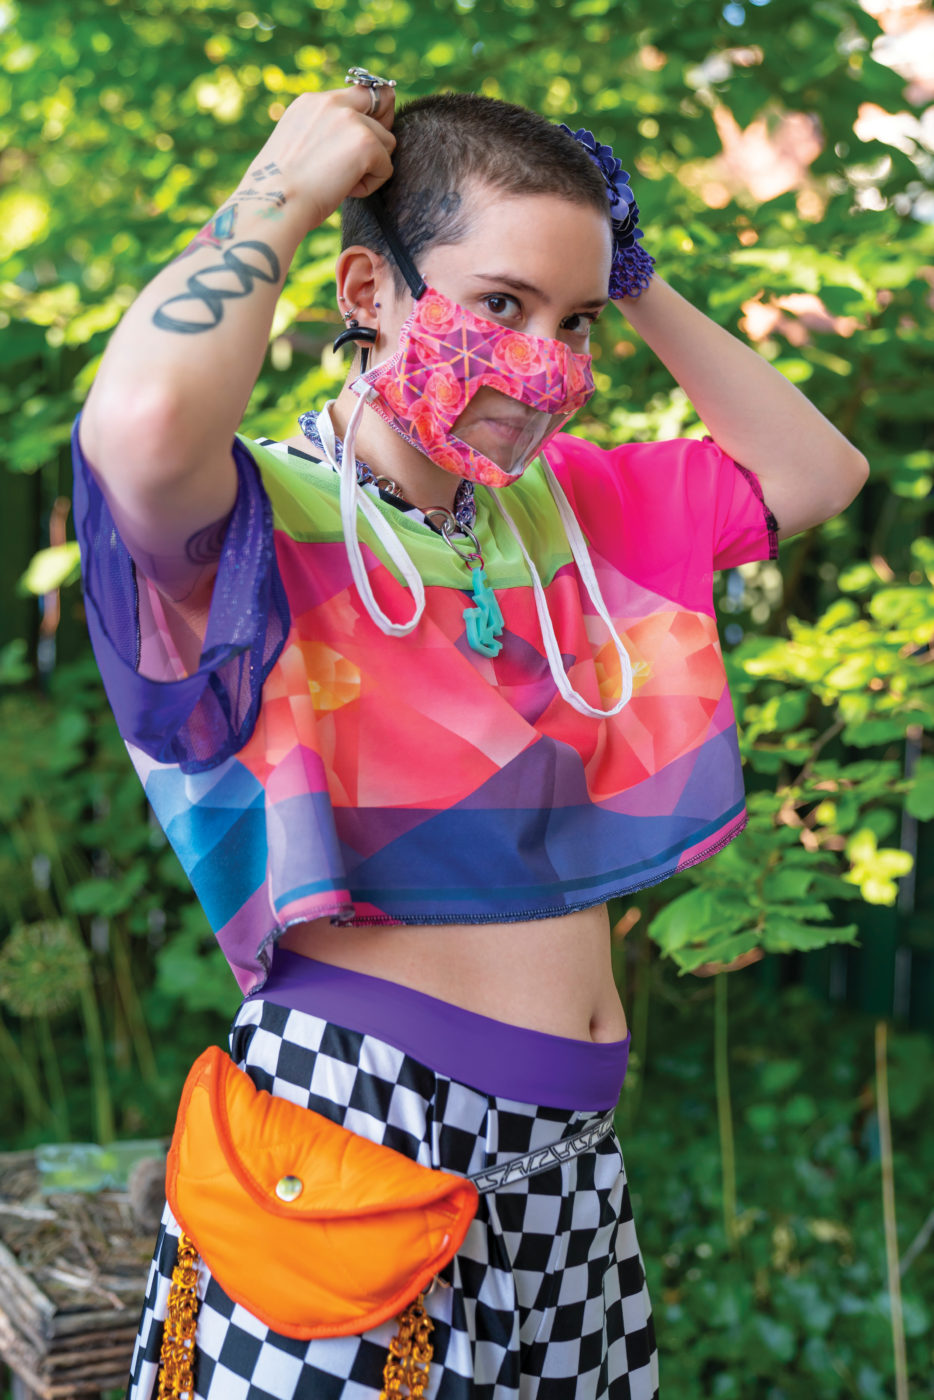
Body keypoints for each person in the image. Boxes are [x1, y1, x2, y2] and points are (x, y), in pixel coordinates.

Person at [72, 70, 868, 1400]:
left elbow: (815, 474)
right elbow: (144, 425)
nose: (545, 359)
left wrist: (637, 278)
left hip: (566, 1166)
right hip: (352, 1145)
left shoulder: (572, 514)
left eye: (573, 320)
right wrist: (278, 185)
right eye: (500, 304)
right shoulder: (255, 526)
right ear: (368, 295)